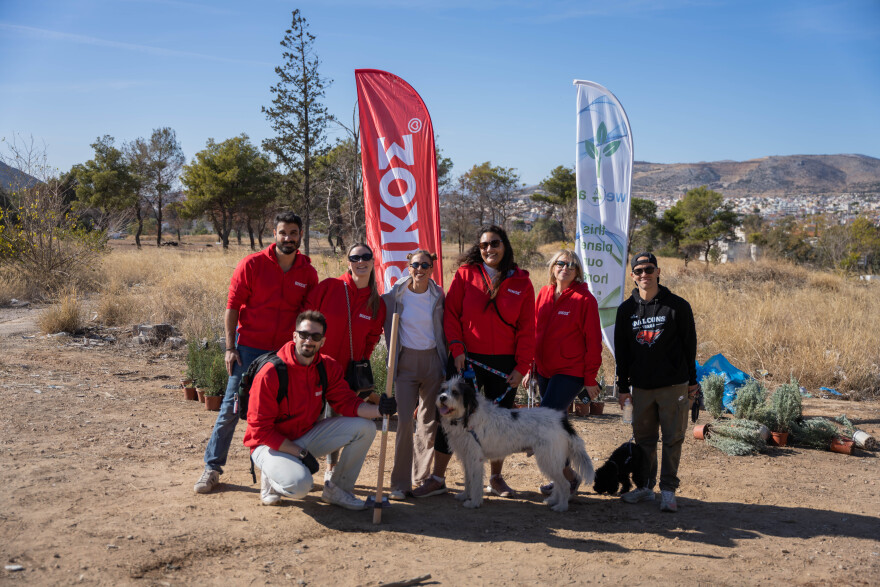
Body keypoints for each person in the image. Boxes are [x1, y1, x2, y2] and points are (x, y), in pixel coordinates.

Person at [194, 212, 318, 494]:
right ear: (274, 234)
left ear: (300, 235)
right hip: (248, 349)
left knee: (278, 414)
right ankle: (212, 468)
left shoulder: (307, 273)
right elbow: (233, 306)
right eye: (283, 232)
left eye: (294, 233)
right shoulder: (252, 264)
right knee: (230, 408)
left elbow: (306, 318)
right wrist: (230, 347)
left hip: (283, 353)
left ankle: (274, 474)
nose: (288, 238)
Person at [412, 225, 535, 499]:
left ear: (505, 246)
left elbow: (528, 328)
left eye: (495, 243)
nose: (489, 249)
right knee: (449, 416)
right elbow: (451, 315)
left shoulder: (522, 282)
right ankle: (437, 478)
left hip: (504, 364)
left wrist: (522, 366)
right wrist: (456, 348)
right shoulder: (466, 275)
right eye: (484, 245)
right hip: (465, 359)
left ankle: (495, 478)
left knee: (499, 422)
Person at [244, 311, 398, 509]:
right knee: (301, 486)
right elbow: (260, 430)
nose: (309, 340)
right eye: (304, 334)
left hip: (304, 436)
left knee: (365, 428)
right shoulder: (271, 373)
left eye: (315, 337)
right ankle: (272, 477)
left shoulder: (327, 367)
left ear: (323, 341)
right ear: (294, 336)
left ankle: (338, 490)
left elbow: (347, 403)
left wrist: (380, 410)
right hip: (268, 445)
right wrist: (299, 453)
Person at [614, 252, 699, 513]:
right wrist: (622, 388)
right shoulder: (626, 310)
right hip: (640, 387)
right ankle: (645, 487)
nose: (644, 275)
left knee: (673, 439)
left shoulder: (677, 306)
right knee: (644, 441)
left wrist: (692, 383)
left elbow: (689, 346)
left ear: (658, 271)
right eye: (638, 271)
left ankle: (669, 491)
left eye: (649, 269)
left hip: (673, 386)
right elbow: (622, 352)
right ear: (632, 276)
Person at [304, 242, 386, 480]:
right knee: (307, 417)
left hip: (345, 375)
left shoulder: (376, 303)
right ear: (348, 262)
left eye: (366, 257)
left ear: (373, 261)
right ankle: (298, 462)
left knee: (337, 421)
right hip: (314, 367)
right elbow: (305, 319)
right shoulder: (329, 287)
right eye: (355, 257)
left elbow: (372, 339)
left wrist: (360, 362)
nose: (361, 262)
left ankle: (331, 468)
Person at [525, 249, 602, 496]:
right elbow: (534, 332)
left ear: (577, 271)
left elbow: (593, 342)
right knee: (557, 427)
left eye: (571, 265)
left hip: (570, 371)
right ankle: (569, 477)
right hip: (545, 370)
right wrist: (530, 367)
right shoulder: (544, 293)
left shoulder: (585, 300)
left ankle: (567, 478)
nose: (565, 268)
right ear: (553, 267)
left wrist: (590, 379)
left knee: (546, 420)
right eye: (560, 263)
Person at [382, 250, 447, 500]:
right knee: (406, 422)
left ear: (432, 268)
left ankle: (422, 478)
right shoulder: (394, 296)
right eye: (415, 265)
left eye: (425, 265)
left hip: (433, 362)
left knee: (429, 422)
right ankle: (400, 483)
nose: (419, 269)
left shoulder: (439, 295)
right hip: (405, 363)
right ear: (408, 267)